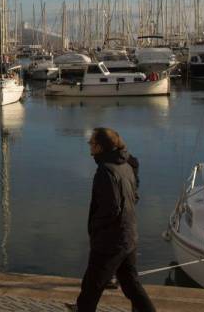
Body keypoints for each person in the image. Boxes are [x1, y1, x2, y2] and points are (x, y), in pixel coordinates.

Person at [72, 128, 156, 312]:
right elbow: (133, 197)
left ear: (99, 147)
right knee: (131, 285)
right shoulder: (125, 165)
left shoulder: (106, 171)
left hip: (110, 240)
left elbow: (110, 208)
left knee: (91, 289)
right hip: (128, 235)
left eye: (91, 143)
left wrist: (96, 230)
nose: (89, 147)